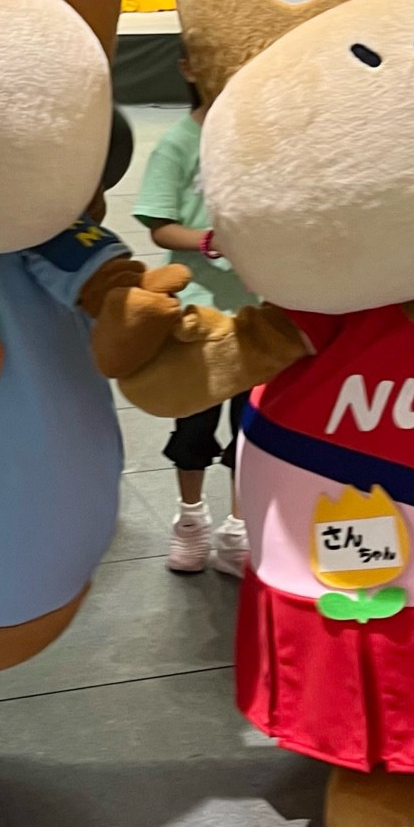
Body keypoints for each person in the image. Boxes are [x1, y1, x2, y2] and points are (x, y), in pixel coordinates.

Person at [133, 50, 254, 575]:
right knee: (194, 426)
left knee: (252, 431)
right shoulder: (179, 144)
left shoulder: (258, 140)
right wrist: (208, 240)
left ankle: (239, 526)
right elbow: (160, 224)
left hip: (258, 316)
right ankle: (190, 519)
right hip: (195, 317)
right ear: (186, 67)